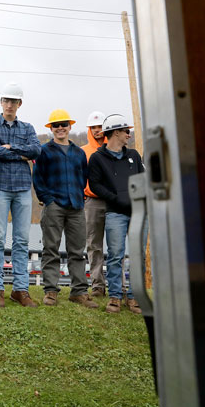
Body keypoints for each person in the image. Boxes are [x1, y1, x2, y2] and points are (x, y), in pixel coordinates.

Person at [0, 82, 41, 308]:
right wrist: (20, 152)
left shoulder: (27, 127)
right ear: (1, 102)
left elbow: (36, 150)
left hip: (23, 189)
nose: (9, 105)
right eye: (6, 101)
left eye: (13, 101)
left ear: (19, 104)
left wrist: (9, 148)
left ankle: (21, 290)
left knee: (22, 240)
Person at [32, 109, 98, 309]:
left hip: (77, 206)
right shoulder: (43, 151)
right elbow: (38, 178)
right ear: (51, 129)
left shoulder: (79, 153)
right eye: (56, 125)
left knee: (77, 251)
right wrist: (47, 200)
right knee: (51, 249)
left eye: (63, 124)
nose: (60, 128)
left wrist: (81, 195)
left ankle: (78, 292)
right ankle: (50, 291)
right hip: (54, 206)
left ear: (70, 126)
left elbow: (84, 177)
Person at [88, 114, 145, 314]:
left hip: (138, 213)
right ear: (115, 132)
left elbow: (142, 179)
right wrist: (115, 198)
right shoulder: (97, 158)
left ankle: (135, 297)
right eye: (126, 131)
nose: (129, 135)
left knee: (138, 255)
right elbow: (94, 184)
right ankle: (115, 297)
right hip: (115, 214)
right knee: (115, 256)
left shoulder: (134, 156)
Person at [81, 110, 108, 297]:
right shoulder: (83, 151)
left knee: (116, 246)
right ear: (89, 129)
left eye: (100, 127)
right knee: (94, 244)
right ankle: (98, 285)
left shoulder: (115, 149)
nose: (98, 130)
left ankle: (118, 286)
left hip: (114, 202)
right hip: (92, 202)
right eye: (94, 127)